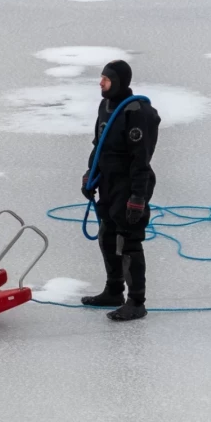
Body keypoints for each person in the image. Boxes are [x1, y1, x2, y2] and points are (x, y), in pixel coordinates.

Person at [80, 60, 161, 321]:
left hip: (130, 184)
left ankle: (136, 302)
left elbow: (141, 160)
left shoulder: (137, 112)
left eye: (106, 78)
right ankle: (114, 290)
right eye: (102, 77)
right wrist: (89, 175)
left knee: (129, 241)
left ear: (120, 82)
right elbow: (99, 144)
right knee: (107, 234)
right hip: (108, 182)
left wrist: (137, 197)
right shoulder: (106, 106)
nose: (101, 82)